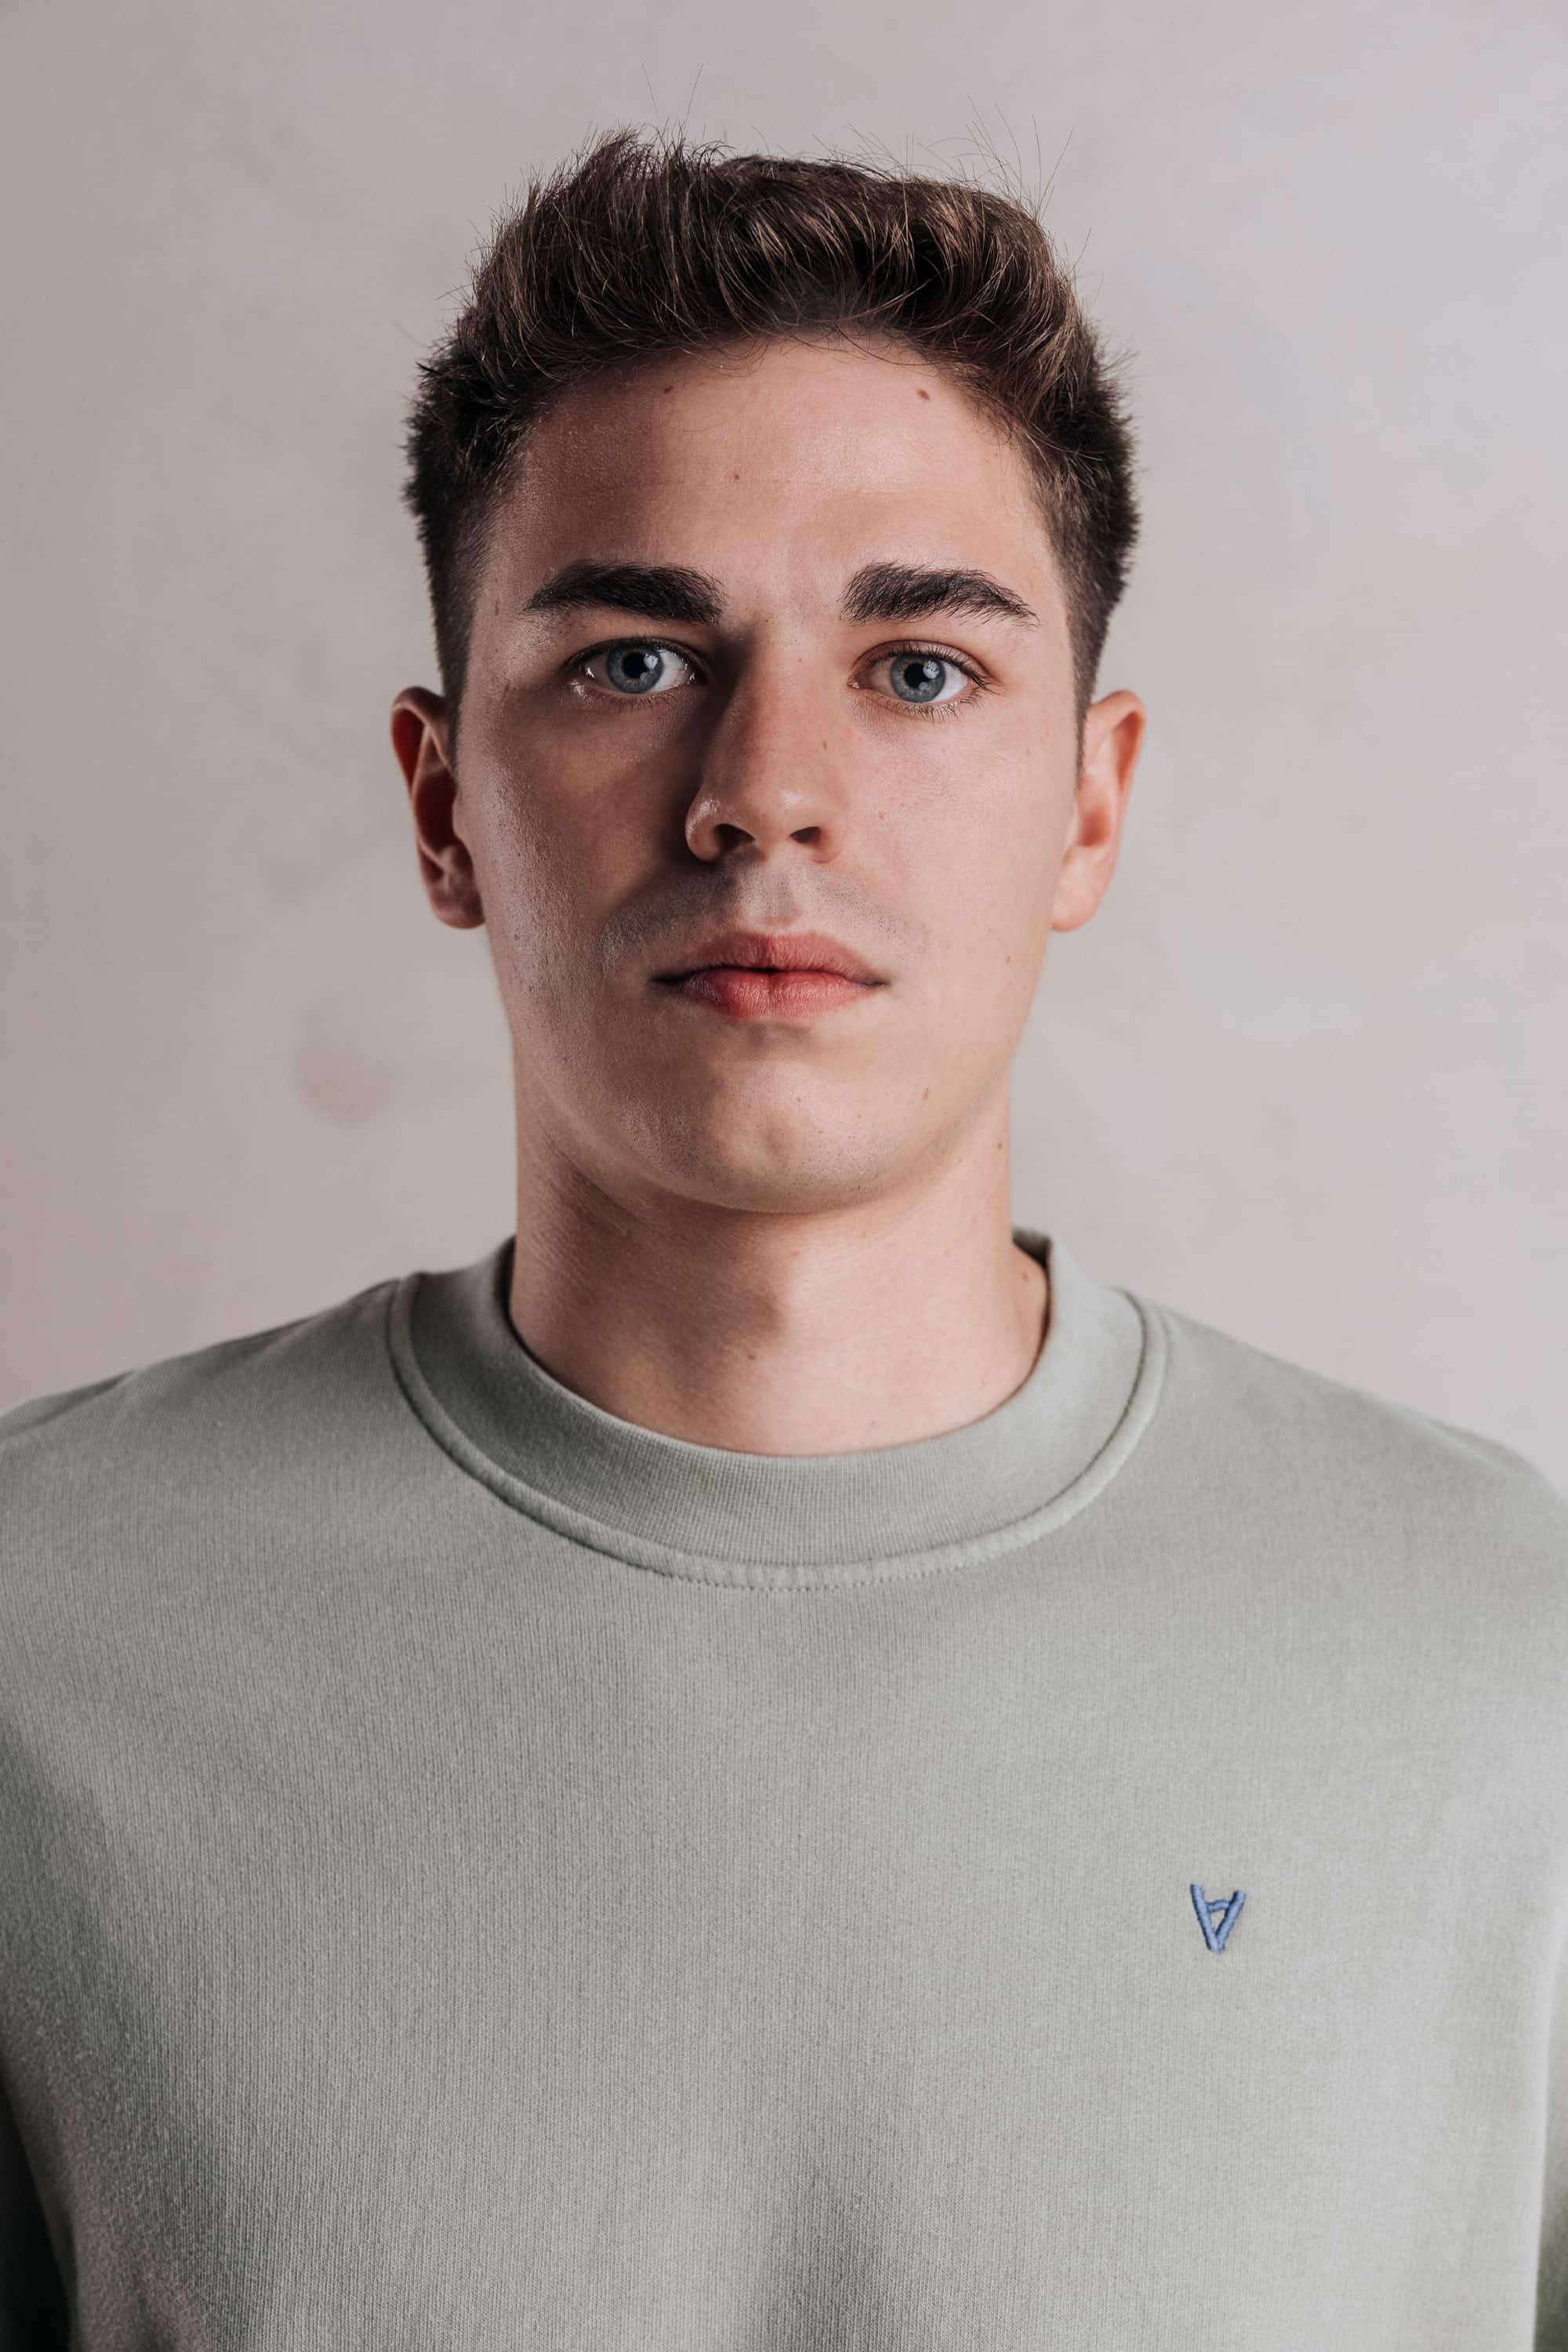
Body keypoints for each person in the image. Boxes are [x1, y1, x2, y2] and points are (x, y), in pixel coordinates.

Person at [2, 128, 1565, 2352]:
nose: (765, 791)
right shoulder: (42, 1632)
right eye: (636, 660)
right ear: (444, 806)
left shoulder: (1506, 1659)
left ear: (1092, 801)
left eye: (918, 669)